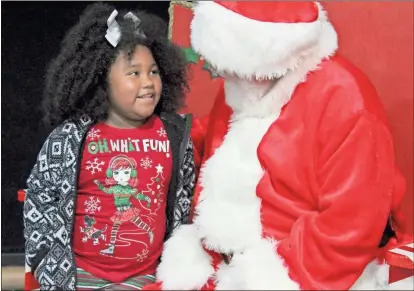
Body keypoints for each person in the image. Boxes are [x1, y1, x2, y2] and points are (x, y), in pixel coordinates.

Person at [155, 1, 409, 290]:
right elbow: (210, 143)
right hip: (217, 264)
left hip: (290, 273)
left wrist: (262, 277)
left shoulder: (346, 99)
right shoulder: (247, 86)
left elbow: (349, 228)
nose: (215, 70)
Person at [23, 3, 195, 290]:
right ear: (102, 80)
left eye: (153, 72)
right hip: (79, 276)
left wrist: (179, 264)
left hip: (149, 277)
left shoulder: (174, 136)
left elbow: (185, 199)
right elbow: (40, 198)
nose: (148, 82)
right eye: (134, 73)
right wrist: (47, 263)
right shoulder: (70, 138)